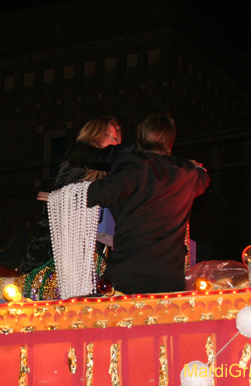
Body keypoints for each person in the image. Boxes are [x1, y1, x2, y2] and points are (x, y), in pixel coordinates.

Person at [79, 113, 209, 294]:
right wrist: (194, 167)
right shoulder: (187, 175)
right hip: (168, 278)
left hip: (128, 272)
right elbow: (203, 176)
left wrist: (61, 196)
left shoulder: (134, 166)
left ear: (140, 139)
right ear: (170, 143)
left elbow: (98, 193)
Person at [0, 117, 123, 273]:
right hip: (57, 241)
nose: (114, 141)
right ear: (95, 134)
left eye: (116, 138)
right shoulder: (80, 155)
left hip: (87, 243)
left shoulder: (109, 172)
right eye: (109, 135)